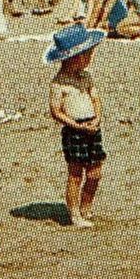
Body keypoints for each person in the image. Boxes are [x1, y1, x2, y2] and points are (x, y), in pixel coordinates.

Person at [45, 25, 106, 226]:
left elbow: (95, 99)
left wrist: (97, 118)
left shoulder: (86, 77)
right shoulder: (59, 84)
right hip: (74, 130)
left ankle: (86, 206)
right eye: (87, 54)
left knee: (95, 172)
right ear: (75, 57)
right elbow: (56, 112)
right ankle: (74, 213)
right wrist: (76, 126)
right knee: (75, 174)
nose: (90, 58)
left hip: (92, 126)